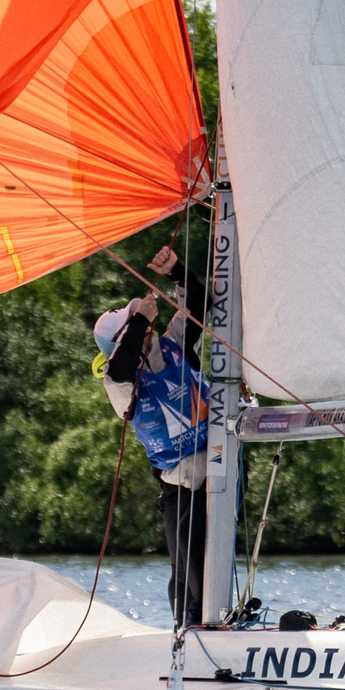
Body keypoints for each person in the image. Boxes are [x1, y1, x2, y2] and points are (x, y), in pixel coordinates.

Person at [94, 245, 211, 629]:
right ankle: (189, 627)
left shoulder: (174, 344)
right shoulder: (119, 384)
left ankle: (206, 621)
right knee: (185, 564)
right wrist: (139, 320)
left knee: (203, 558)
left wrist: (177, 271)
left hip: (216, 464)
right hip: (178, 482)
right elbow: (121, 366)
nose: (144, 325)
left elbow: (200, 305)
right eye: (133, 324)